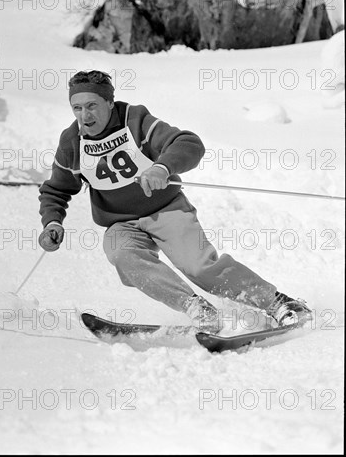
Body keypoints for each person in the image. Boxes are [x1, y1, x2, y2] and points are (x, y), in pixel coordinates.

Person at [37, 70, 312, 333]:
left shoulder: (135, 120)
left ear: (109, 102)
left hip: (166, 210)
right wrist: (52, 222)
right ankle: (197, 309)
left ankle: (278, 303)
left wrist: (162, 168)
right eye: (77, 108)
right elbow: (56, 189)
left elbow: (189, 143)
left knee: (200, 267)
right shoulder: (72, 141)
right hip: (121, 223)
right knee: (122, 255)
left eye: (92, 105)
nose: (85, 116)